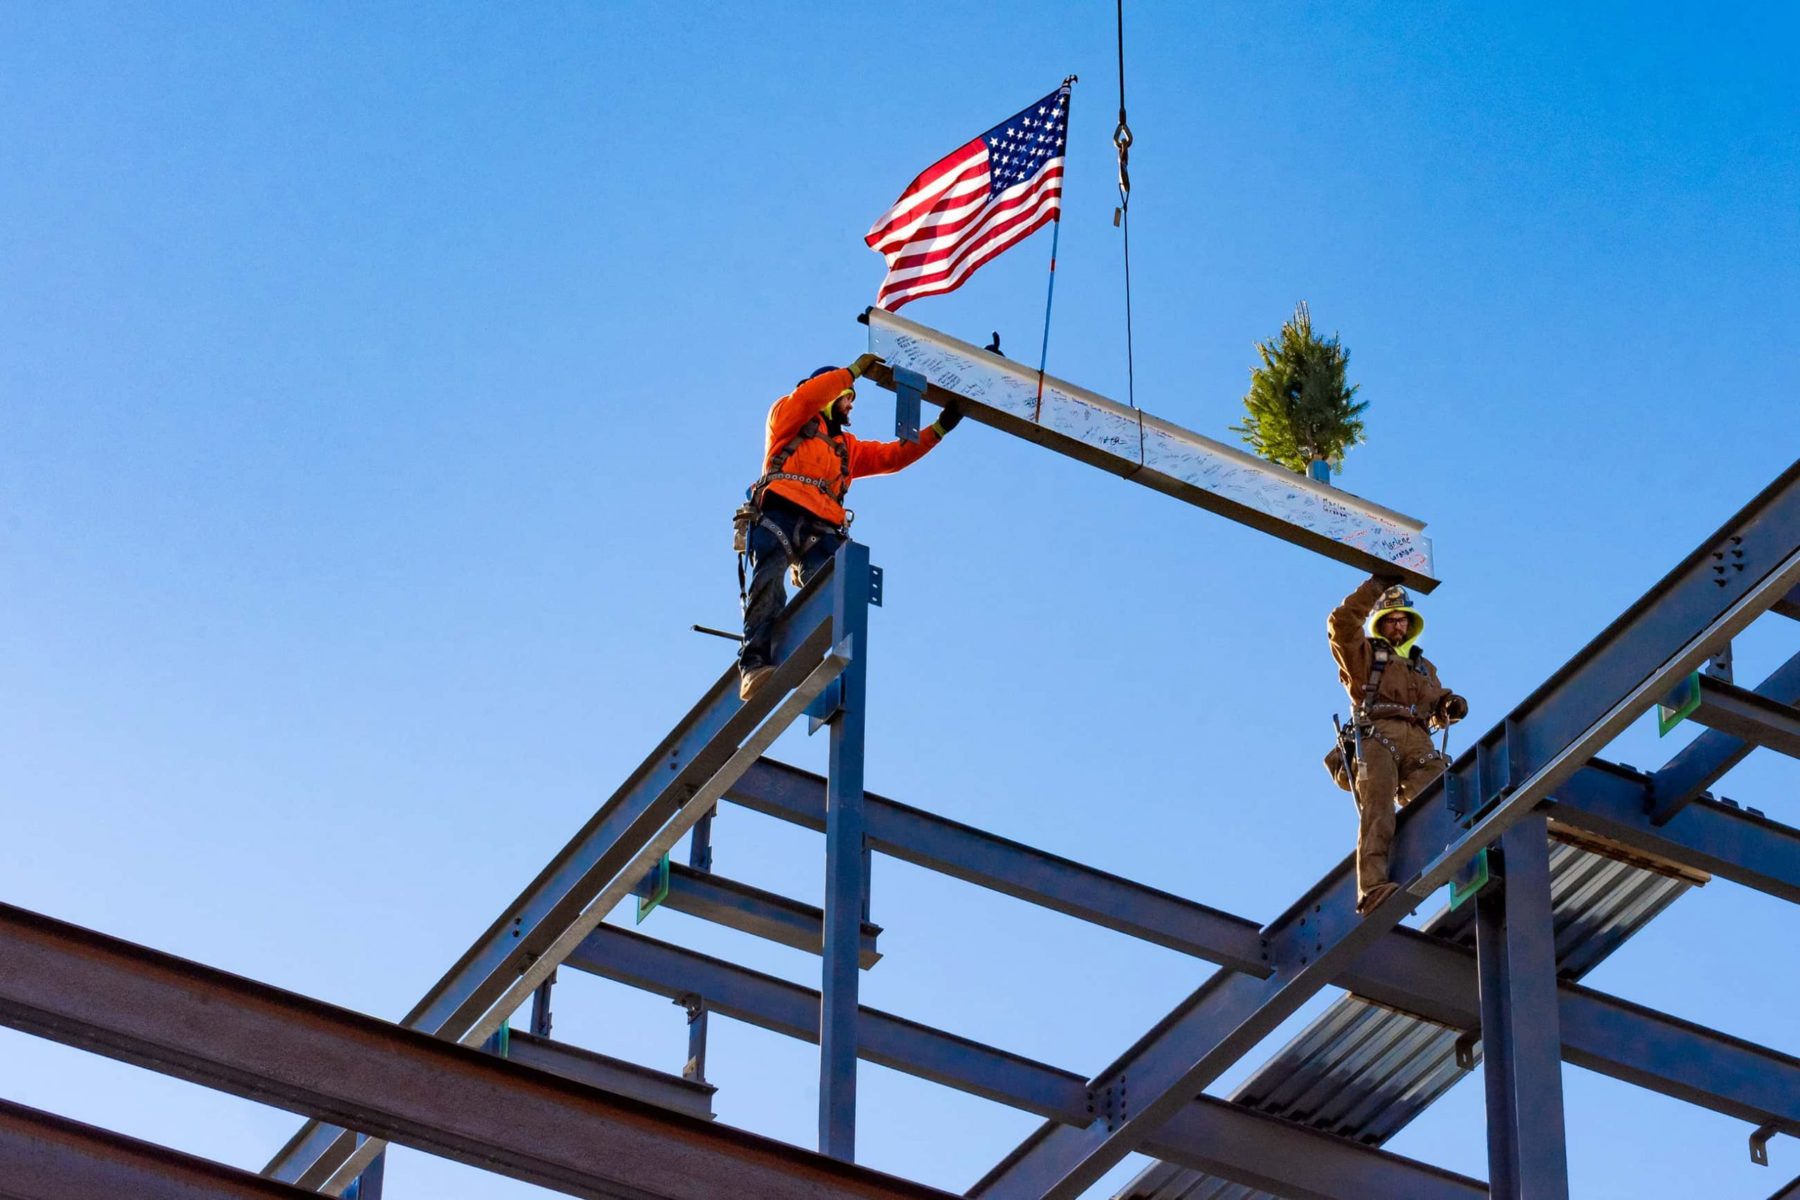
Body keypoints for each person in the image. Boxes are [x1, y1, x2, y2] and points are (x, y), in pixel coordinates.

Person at [736, 354, 961, 700]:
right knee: (768, 581)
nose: (850, 405)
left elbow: (893, 456)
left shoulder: (846, 448)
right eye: (846, 397)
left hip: (820, 529)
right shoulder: (788, 417)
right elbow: (809, 396)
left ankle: (812, 662)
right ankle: (753, 666)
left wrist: (939, 429)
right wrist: (852, 372)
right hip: (779, 515)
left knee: (838, 589)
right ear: (828, 394)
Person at [1327, 574, 1469, 913]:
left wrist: (1449, 705)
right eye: (1389, 620)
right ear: (1379, 622)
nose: (1396, 625)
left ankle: (1463, 865)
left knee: (1444, 798)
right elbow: (1341, 624)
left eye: (1401, 619)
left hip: (1418, 741)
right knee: (1378, 810)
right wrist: (1376, 586)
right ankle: (1373, 888)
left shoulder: (1422, 666)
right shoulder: (1362, 655)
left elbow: (1436, 700)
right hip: (1378, 735)